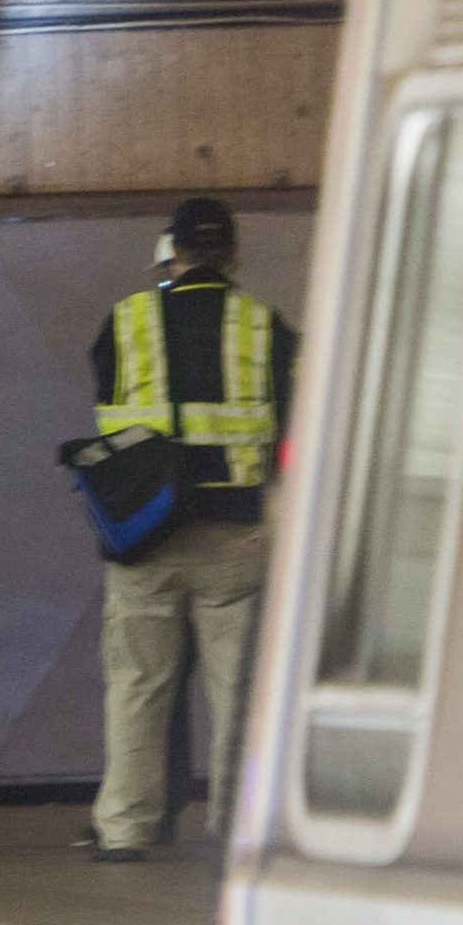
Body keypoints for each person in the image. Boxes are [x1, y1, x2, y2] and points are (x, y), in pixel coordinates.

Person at [87, 197, 297, 862]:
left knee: (137, 687)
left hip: (144, 531)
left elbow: (107, 413)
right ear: (234, 255)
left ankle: (125, 828)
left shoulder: (122, 323)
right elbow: (291, 437)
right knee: (237, 691)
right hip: (234, 532)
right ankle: (238, 829)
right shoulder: (268, 329)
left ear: (171, 251)